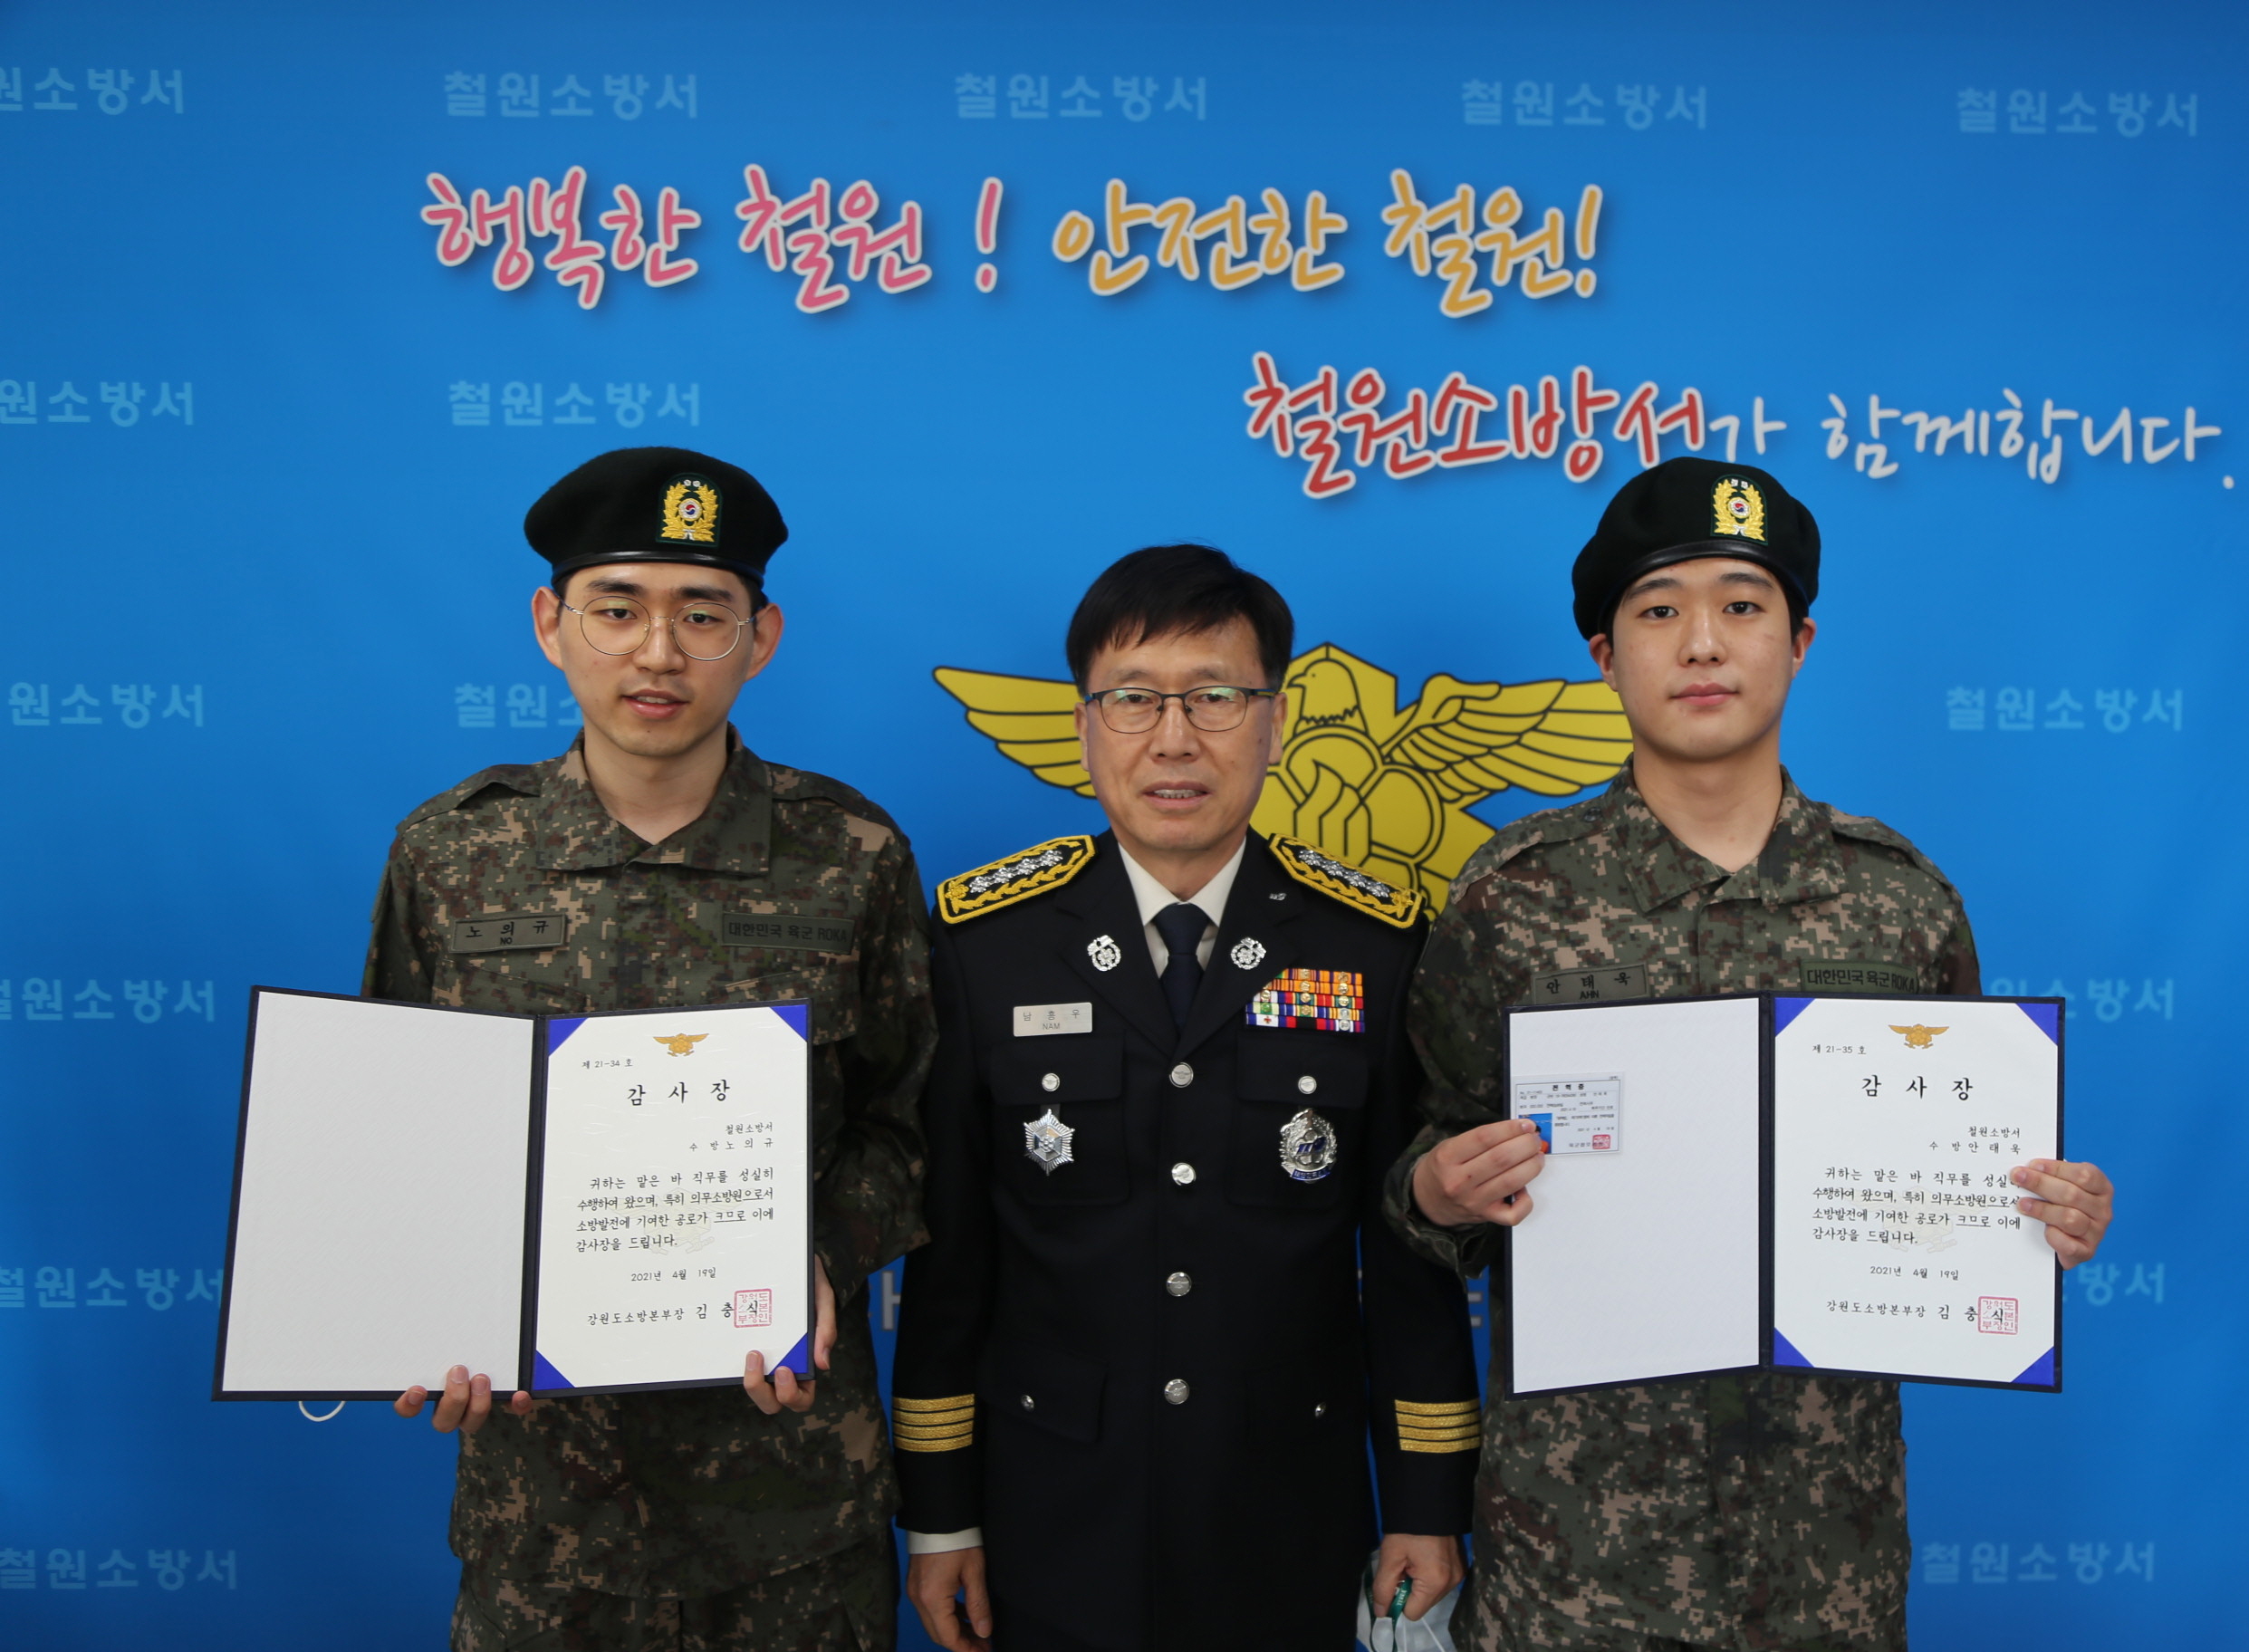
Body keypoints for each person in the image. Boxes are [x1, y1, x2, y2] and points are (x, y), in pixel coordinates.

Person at [1386, 456, 2119, 1652]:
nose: (1702, 644)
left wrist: (2044, 1217)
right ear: (1603, 654)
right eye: (1657, 612)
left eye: (1742, 605)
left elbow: (1963, 1180)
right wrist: (1433, 1188)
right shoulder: (1509, 900)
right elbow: (1417, 1184)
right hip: (1575, 1563)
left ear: (1800, 641)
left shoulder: (1902, 905)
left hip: (1825, 1563)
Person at [367, 447, 936, 1650]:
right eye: (617, 610)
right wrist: (429, 1302)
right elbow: (396, 1133)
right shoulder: (451, 856)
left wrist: (822, 1254)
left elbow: (907, 1122)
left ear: (761, 636)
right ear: (550, 624)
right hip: (542, 1518)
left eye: (702, 614)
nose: (659, 653)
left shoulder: (853, 855)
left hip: (789, 1505)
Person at [891, 545, 1478, 1652]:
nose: (1173, 739)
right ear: (1083, 726)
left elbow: (1410, 1261)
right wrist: (939, 1513)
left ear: (1276, 720)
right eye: (1133, 699)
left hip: (1285, 1507)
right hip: (1049, 1515)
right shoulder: (986, 945)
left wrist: (1425, 1501)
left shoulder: (1374, 942)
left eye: (1215, 697)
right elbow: (951, 1259)